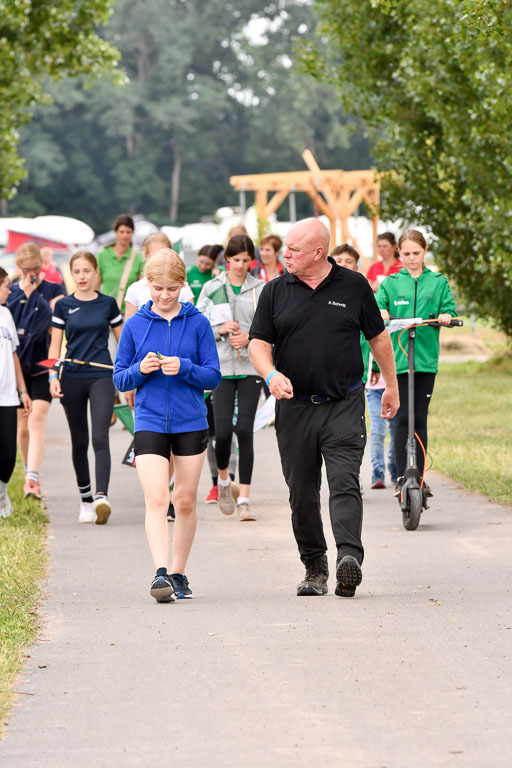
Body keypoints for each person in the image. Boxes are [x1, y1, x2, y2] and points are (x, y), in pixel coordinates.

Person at [249, 218, 399, 598]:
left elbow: (378, 338)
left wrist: (391, 386)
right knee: (301, 492)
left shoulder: (353, 286)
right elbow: (257, 344)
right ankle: (314, 567)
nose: (285, 255)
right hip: (294, 407)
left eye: (293, 250)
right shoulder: (274, 291)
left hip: (343, 403)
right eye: (285, 248)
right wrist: (270, 375)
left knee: (344, 481)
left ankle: (349, 558)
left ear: (318, 252)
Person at [113, 249, 221, 602]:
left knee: (185, 501)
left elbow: (214, 376)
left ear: (182, 285)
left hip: (191, 421)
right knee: (157, 497)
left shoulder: (198, 323)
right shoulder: (135, 325)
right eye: (157, 288)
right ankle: (160, 574)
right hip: (149, 421)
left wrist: (185, 367)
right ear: (147, 285)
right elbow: (120, 379)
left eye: (171, 288)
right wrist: (140, 370)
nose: (164, 295)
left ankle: (178, 573)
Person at [376, 229, 457, 496]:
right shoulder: (391, 283)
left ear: (424, 252)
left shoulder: (437, 281)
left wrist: (446, 315)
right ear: (399, 253)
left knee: (419, 418)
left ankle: (419, 478)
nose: (412, 259)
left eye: (417, 253)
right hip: (397, 360)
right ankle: (401, 478)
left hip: (424, 360)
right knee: (402, 419)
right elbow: (377, 309)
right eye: (407, 254)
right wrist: (382, 311)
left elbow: (449, 308)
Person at [48, 251, 123, 524]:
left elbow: (123, 340)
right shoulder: (63, 306)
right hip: (71, 377)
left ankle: (102, 497)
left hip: (102, 376)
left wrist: (127, 373)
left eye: (86, 271)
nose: (81, 276)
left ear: (95, 274)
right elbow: (55, 346)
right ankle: (86, 500)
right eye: (77, 271)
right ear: (72, 274)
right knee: (79, 441)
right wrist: (52, 376)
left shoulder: (108, 304)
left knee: (100, 438)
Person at [197, 234, 265, 521]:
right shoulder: (213, 288)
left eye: (246, 261)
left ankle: (245, 498)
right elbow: (198, 327)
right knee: (222, 432)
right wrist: (220, 329)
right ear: (227, 260)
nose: (241, 266)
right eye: (236, 260)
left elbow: (270, 328)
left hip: (251, 367)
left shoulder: (260, 289)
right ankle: (223, 481)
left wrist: (250, 336)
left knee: (245, 430)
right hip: (222, 367)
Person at [332, 244, 397, 488]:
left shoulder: (361, 294)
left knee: (357, 432)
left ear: (357, 267)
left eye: (348, 261)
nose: (343, 265)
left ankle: (380, 471)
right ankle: (353, 478)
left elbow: (376, 339)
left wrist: (377, 370)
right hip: (328, 378)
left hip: (358, 377)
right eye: (338, 260)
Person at [7, 243, 65, 499]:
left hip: (43, 363)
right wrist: (22, 294)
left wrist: (35, 297)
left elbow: (49, 325)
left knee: (38, 415)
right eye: (26, 269)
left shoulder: (53, 289)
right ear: (18, 267)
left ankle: (33, 478)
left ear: (42, 266)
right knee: (22, 424)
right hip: (18, 366)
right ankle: (28, 469)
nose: (31, 274)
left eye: (35, 269)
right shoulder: (8, 293)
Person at [0, 267, 32, 518]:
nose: (9, 290)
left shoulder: (6, 315)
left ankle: (2, 493)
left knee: (8, 455)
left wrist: (23, 391)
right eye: (6, 285)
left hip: (8, 396)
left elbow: (14, 356)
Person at [95, 214, 145, 312]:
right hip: (106, 312)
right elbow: (95, 287)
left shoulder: (138, 258)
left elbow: (142, 288)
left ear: (132, 233)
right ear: (116, 232)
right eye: (122, 232)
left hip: (129, 313)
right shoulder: (103, 255)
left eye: (128, 232)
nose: (125, 235)